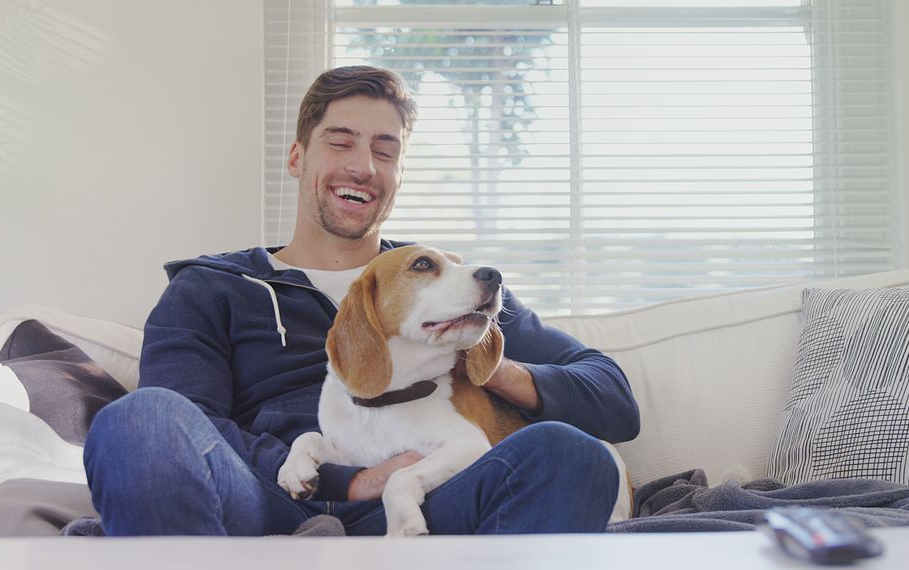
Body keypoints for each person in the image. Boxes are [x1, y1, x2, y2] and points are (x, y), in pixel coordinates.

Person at [83, 65, 640, 536]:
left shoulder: (454, 288)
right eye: (341, 141)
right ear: (298, 158)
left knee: (571, 454)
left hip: (434, 503)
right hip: (272, 504)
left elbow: (613, 399)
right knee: (139, 420)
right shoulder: (211, 287)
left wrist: (484, 364)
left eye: (385, 150)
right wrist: (347, 479)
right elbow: (189, 422)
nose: (364, 166)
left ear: (398, 175)